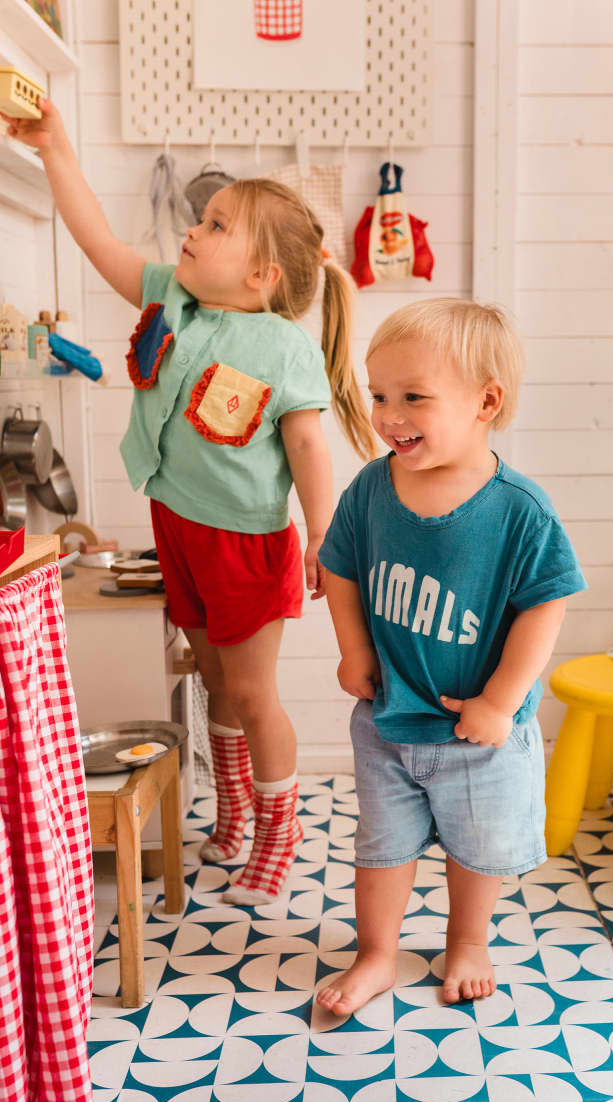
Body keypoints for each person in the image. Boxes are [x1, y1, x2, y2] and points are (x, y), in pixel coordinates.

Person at [3, 99, 376, 906]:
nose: (194, 231)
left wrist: (322, 533)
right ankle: (236, 807)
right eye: (201, 220)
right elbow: (97, 236)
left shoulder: (281, 344)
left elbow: (310, 445)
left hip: (246, 541)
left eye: (215, 226)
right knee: (210, 676)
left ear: (260, 275)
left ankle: (282, 829)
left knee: (251, 690)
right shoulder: (170, 293)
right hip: (176, 522)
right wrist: (58, 148)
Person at [315, 299, 587, 1015]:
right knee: (382, 846)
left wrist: (501, 700)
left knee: (474, 848)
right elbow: (337, 562)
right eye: (378, 395)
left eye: (413, 398)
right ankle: (377, 950)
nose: (388, 414)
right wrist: (352, 647)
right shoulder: (374, 487)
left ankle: (467, 939)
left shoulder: (519, 509)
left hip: (477, 730)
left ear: (485, 402)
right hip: (387, 719)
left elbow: (546, 603)